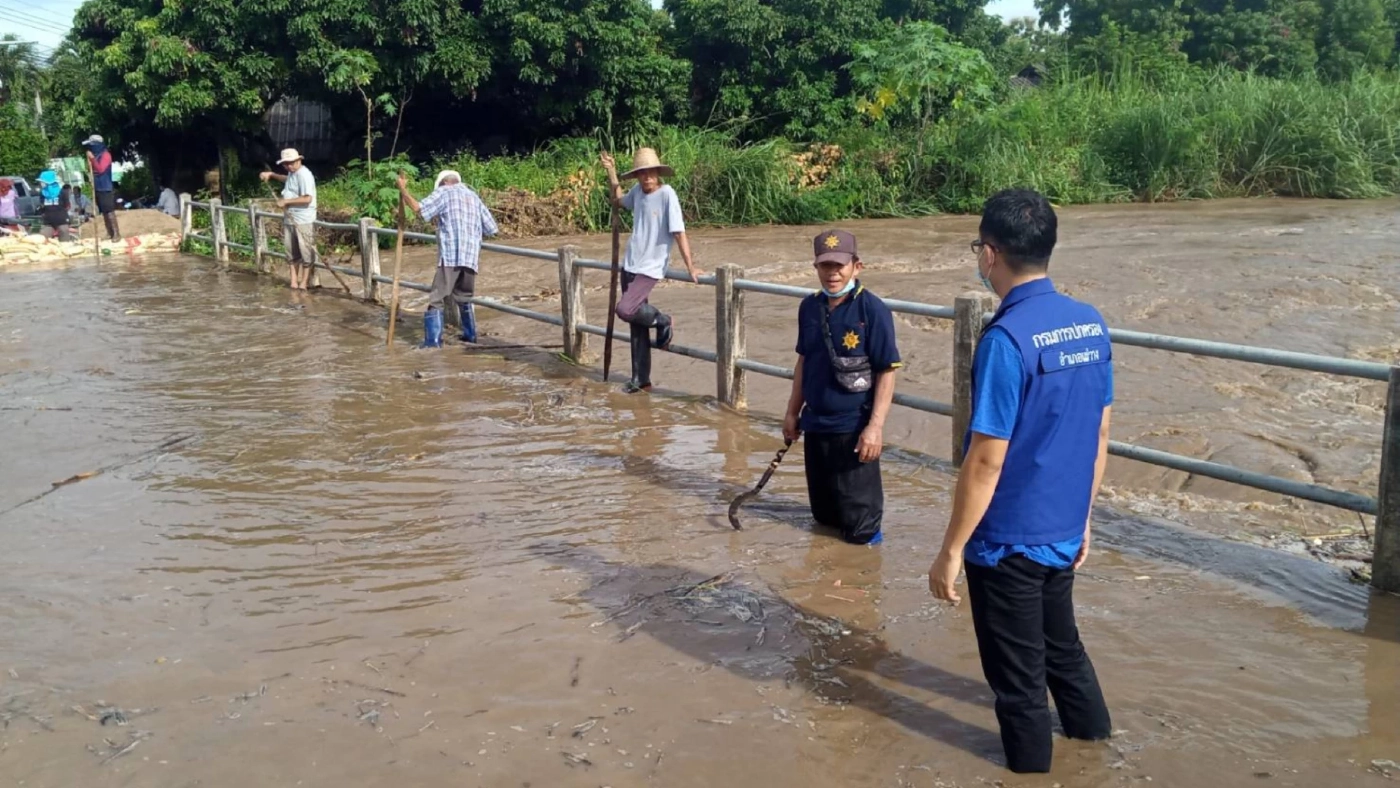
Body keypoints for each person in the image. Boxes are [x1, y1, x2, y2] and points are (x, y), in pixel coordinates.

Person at [927, 188, 1114, 774]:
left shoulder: (1006, 341)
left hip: (1006, 542)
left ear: (990, 254)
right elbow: (1099, 435)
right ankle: (1097, 749)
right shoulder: (1090, 324)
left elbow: (986, 459)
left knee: (1018, 684)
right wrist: (1083, 518)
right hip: (1062, 529)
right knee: (1063, 650)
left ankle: (1031, 773)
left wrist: (951, 550)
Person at [782, 229, 901, 546]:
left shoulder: (872, 310)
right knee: (824, 519)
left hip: (854, 430)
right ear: (816, 268)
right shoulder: (809, 307)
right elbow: (803, 362)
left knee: (860, 529)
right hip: (817, 427)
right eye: (825, 266)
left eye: (839, 266)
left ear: (856, 267)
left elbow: (886, 370)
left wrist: (875, 427)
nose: (832, 273)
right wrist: (792, 413)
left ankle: (864, 578)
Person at [599, 148, 702, 393]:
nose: (647, 178)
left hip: (650, 267)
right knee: (636, 326)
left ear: (658, 173)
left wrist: (690, 266)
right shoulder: (637, 192)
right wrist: (611, 171)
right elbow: (618, 200)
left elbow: (679, 232)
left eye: (650, 173)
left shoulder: (667, 194)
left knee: (625, 309)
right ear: (637, 177)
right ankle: (641, 380)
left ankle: (663, 320)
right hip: (631, 264)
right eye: (642, 174)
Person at [395, 169, 499, 347]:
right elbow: (492, 229)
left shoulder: (444, 193)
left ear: (443, 183)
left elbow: (418, 208)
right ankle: (470, 336)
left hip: (451, 255)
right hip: (470, 256)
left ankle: (433, 342)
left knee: (436, 298)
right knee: (465, 297)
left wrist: (403, 190)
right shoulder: (473, 196)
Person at [259, 148, 318, 291]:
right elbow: (288, 180)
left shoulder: (304, 175)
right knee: (291, 252)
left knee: (305, 253)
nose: (288, 166)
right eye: (286, 164)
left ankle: (303, 283)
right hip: (290, 218)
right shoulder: (293, 173)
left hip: (302, 219)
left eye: (291, 163)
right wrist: (272, 175)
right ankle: (293, 282)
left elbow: (307, 198)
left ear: (299, 160)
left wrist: (286, 202)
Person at [81, 134, 122, 241]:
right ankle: (109, 233)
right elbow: (93, 171)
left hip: (106, 188)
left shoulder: (106, 155)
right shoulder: (96, 155)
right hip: (98, 187)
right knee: (103, 212)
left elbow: (100, 169)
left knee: (109, 211)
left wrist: (92, 158)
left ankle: (116, 234)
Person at [36, 170, 72, 241]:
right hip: (48, 222)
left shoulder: (62, 192)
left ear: (49, 182)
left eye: (42, 182)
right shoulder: (42, 194)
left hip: (62, 220)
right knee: (42, 238)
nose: (41, 183)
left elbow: (67, 205)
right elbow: (42, 206)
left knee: (64, 236)